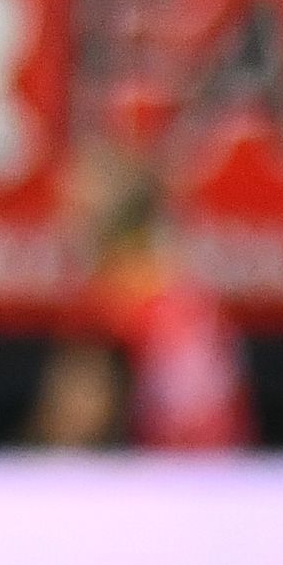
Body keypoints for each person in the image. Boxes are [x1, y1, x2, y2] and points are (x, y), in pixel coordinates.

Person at [29, 150, 248, 452]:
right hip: (218, 470)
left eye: (75, 211)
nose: (61, 222)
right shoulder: (183, 289)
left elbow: (74, 421)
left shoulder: (119, 300)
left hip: (167, 477)